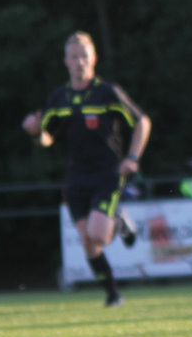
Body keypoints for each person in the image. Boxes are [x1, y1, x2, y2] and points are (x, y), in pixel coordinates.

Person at [21, 32, 151, 307]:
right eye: (74, 56)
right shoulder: (59, 97)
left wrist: (133, 157)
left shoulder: (107, 92)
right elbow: (48, 139)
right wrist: (35, 132)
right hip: (76, 176)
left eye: (84, 56)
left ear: (94, 59)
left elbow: (142, 121)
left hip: (107, 173)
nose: (79, 61)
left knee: (98, 234)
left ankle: (119, 223)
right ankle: (113, 295)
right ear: (65, 61)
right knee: (88, 241)